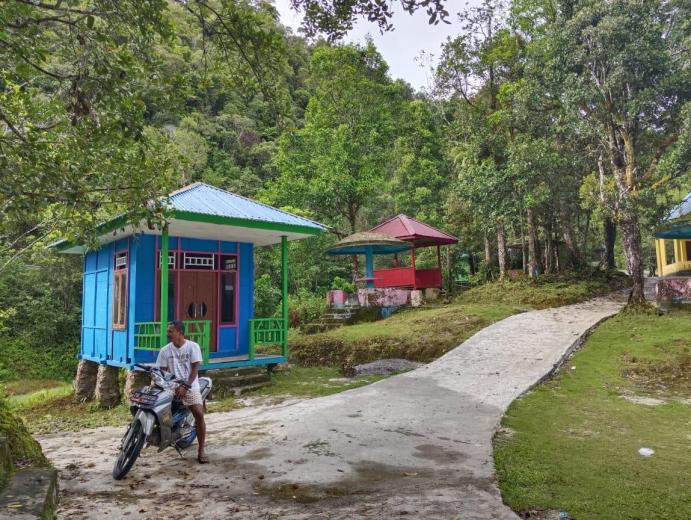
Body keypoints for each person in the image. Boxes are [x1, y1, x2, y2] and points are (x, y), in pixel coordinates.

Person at [155, 320, 208, 464]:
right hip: (172, 387)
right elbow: (161, 372)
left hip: (190, 386)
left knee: (199, 414)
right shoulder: (165, 350)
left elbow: (195, 369)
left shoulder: (192, 347)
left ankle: (201, 449)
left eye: (170, 331)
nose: (168, 334)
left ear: (180, 332)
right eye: (168, 331)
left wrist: (186, 386)